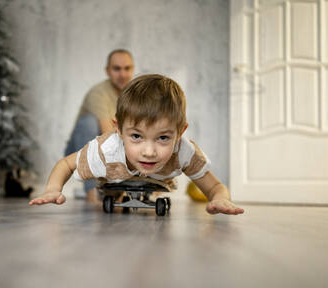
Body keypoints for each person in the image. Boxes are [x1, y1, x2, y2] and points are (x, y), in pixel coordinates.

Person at [31, 74, 244, 215]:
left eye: (163, 138)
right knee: (110, 191)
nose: (149, 152)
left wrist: (220, 198)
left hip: (156, 180)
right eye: (136, 136)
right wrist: (52, 189)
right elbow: (66, 164)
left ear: (180, 133)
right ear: (119, 130)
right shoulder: (106, 150)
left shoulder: (184, 151)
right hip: (114, 175)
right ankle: (114, 194)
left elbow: (215, 186)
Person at [64, 49, 134, 202]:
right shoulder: (98, 93)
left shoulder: (133, 95)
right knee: (88, 123)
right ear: (107, 71)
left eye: (127, 68)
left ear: (132, 69)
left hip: (111, 151)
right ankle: (91, 192)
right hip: (80, 150)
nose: (122, 74)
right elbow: (108, 134)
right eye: (117, 69)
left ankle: (116, 191)